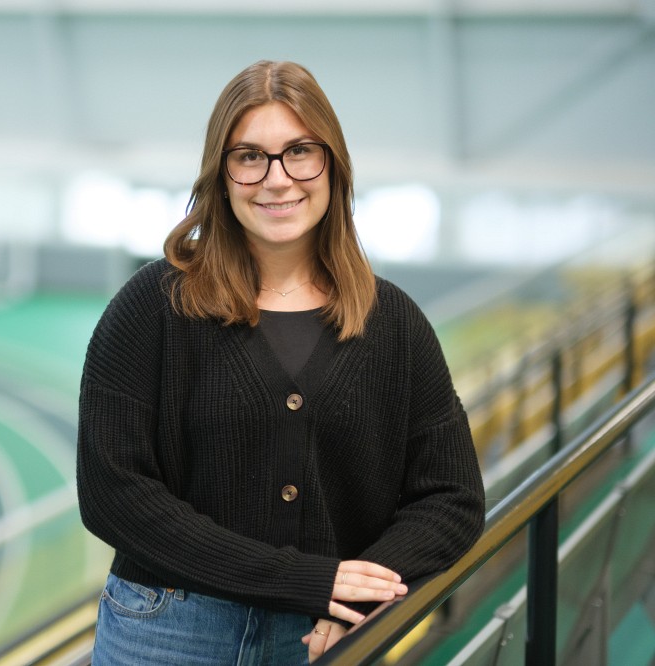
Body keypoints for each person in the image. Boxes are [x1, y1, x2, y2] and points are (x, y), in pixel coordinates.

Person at [76, 60, 485, 664]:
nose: (278, 179)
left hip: (325, 638)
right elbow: (113, 491)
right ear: (221, 175)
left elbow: (452, 497)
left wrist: (363, 592)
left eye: (300, 152)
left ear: (333, 165)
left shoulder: (393, 324)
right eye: (249, 157)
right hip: (169, 633)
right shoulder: (152, 307)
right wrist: (303, 579)